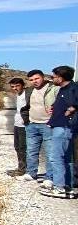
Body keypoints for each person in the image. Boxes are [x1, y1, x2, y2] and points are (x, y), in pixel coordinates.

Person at [40, 65, 78, 199]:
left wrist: (72, 109)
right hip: (60, 126)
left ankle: (59, 187)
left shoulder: (73, 88)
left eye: (53, 77)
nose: (52, 79)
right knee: (66, 158)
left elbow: (74, 103)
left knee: (56, 158)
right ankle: (68, 186)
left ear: (60, 78)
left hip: (64, 127)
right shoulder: (64, 89)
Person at [20, 69, 58, 183]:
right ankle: (31, 173)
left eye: (37, 78)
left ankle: (50, 178)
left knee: (50, 153)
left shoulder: (53, 88)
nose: (34, 81)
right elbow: (27, 106)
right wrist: (26, 120)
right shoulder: (29, 90)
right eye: (31, 80)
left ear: (43, 77)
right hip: (32, 124)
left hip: (48, 125)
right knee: (31, 151)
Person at [7, 78, 28, 176]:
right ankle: (20, 167)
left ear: (23, 85)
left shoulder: (27, 95)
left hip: (25, 125)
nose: (15, 88)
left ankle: (24, 169)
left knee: (23, 148)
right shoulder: (17, 95)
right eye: (12, 87)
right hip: (17, 124)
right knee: (17, 147)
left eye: (17, 86)